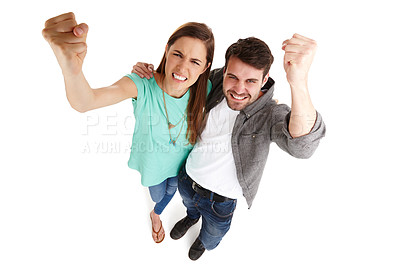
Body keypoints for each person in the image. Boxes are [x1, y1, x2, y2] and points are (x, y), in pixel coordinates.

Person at [132, 34, 326, 260]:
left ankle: (203, 242)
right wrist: (150, 74)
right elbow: (181, 79)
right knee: (190, 207)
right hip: (187, 178)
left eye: (251, 81)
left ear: (264, 80)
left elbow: (303, 147)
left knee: (212, 237)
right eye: (233, 77)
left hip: (220, 203)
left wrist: (299, 82)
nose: (239, 89)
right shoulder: (215, 84)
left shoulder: (270, 114)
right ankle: (191, 217)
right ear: (223, 71)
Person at [42, 12, 214, 244]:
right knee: (158, 194)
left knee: (172, 191)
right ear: (166, 50)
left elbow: (240, 82)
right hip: (153, 167)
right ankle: (155, 211)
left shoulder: (207, 88)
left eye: (195, 62)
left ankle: (156, 214)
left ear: (206, 67)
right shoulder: (142, 83)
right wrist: (71, 70)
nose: (183, 67)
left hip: (184, 166)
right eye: (178, 54)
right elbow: (86, 101)